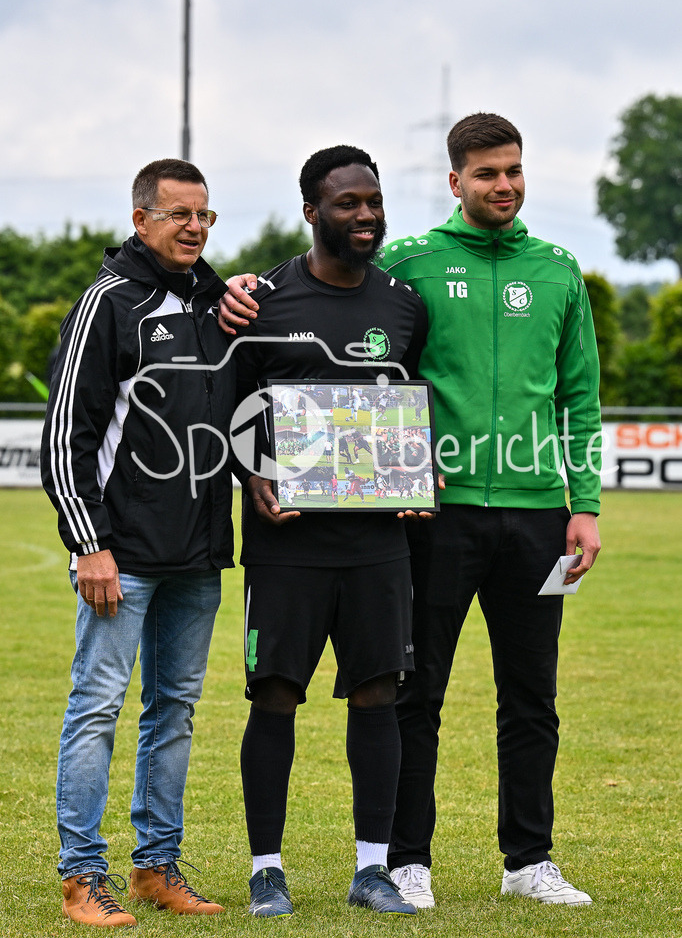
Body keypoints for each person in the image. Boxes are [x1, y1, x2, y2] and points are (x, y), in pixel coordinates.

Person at [219, 113, 602, 910]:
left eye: (515, 171)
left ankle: (529, 860)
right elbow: (327, 293)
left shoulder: (560, 269)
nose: (505, 185)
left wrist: (586, 506)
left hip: (538, 516)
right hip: (433, 515)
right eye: (487, 173)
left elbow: (581, 397)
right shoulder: (410, 265)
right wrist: (237, 287)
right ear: (455, 181)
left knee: (534, 694)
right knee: (411, 691)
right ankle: (405, 859)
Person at [231, 145, 428, 918]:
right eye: (348, 203)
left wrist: (421, 474)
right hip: (287, 547)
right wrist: (255, 476)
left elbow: (416, 403)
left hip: (379, 544)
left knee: (378, 694)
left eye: (374, 201)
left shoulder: (404, 305)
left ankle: (373, 869)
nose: (367, 215)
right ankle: (266, 870)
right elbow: (229, 411)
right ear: (312, 212)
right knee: (275, 694)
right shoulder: (262, 301)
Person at [41, 158, 234, 928]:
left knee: (175, 712)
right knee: (97, 708)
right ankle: (81, 879)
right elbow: (66, 436)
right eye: (178, 214)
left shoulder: (214, 302)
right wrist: (90, 543)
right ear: (140, 219)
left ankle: (156, 867)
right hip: (120, 556)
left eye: (205, 215)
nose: (193, 227)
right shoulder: (108, 303)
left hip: (199, 554)